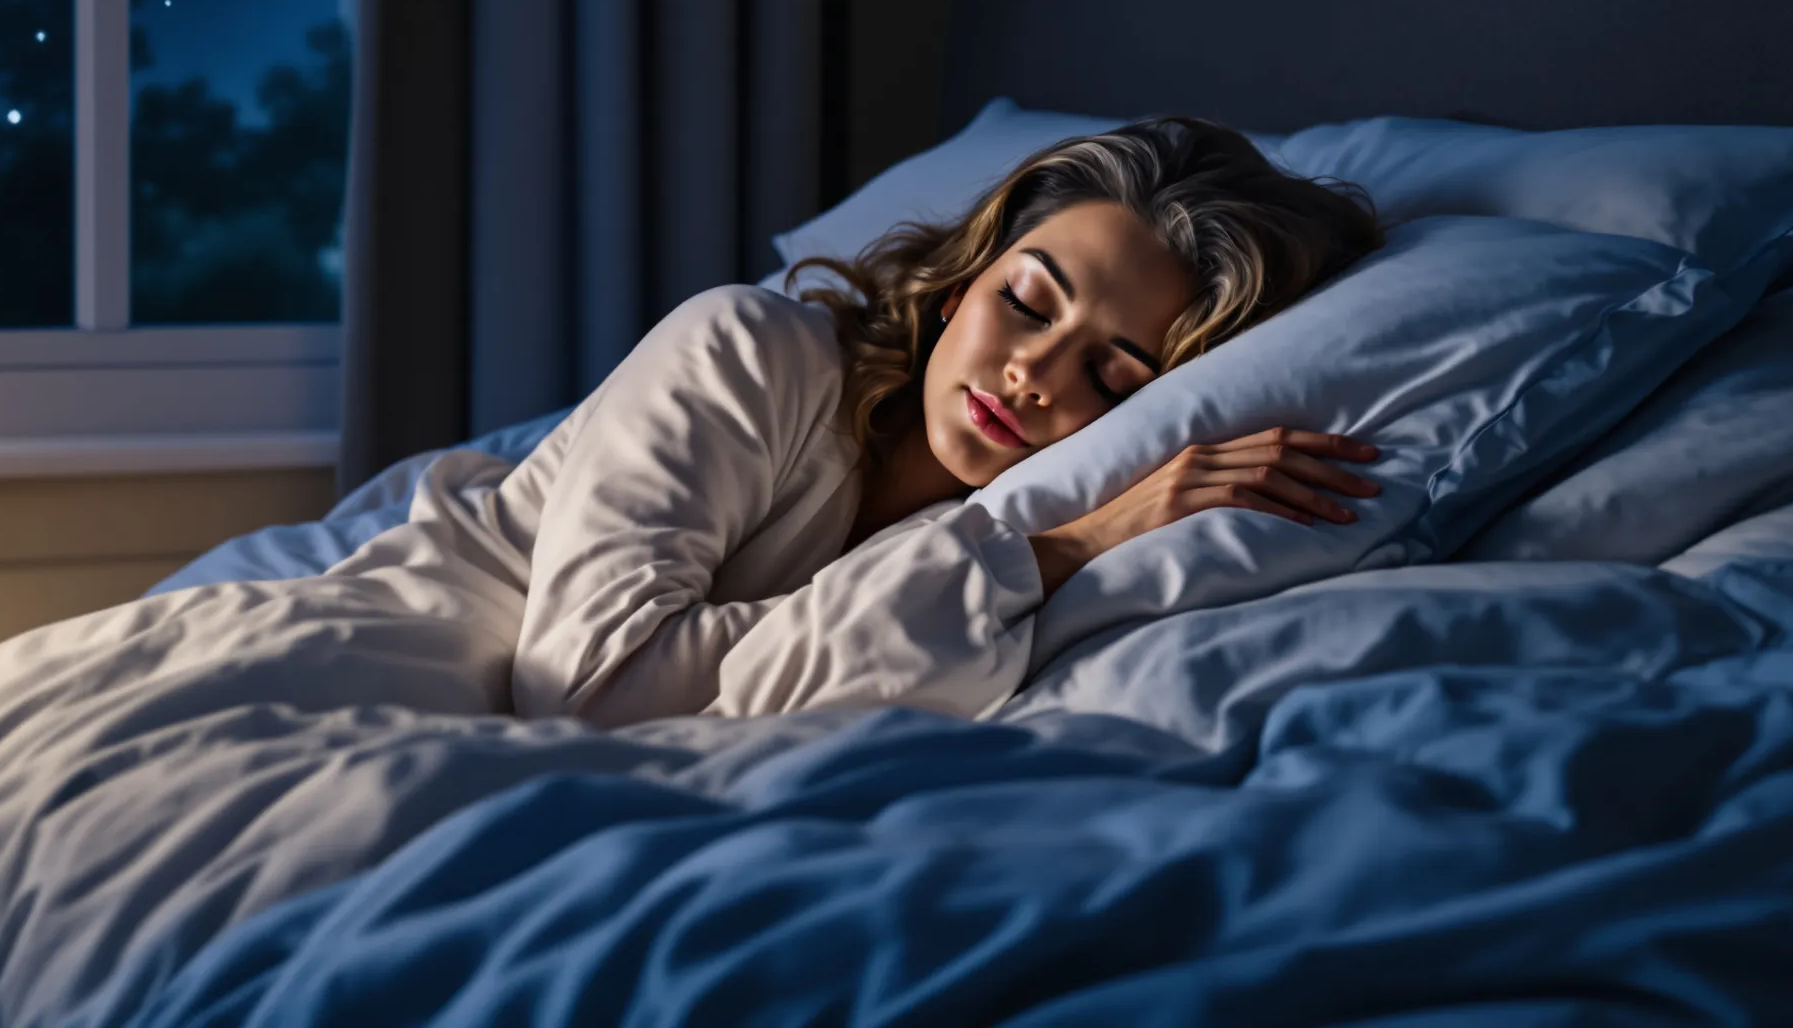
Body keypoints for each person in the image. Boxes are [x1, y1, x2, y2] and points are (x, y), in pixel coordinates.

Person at [334, 117, 1385, 727]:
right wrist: (1066, 547)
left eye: (1109, 376)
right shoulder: (749, 349)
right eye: (1025, 303)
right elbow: (586, 688)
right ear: (958, 285)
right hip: (386, 644)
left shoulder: (979, 530)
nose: (1030, 377)